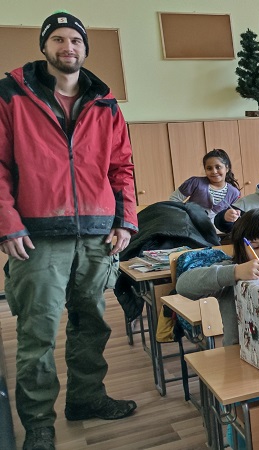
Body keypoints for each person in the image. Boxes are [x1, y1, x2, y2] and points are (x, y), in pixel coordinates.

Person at [0, 11, 138, 450]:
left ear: (84, 48)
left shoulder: (105, 103)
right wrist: (7, 225)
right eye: (58, 39)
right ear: (44, 47)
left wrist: (126, 221)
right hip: (37, 238)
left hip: (97, 235)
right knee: (37, 333)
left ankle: (86, 397)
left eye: (75, 40)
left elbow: (122, 167)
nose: (68, 47)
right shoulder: (11, 95)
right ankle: (39, 424)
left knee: (92, 325)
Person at [177, 209, 259, 347]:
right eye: (255, 247)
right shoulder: (234, 271)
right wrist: (235, 272)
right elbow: (183, 286)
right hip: (240, 352)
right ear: (242, 247)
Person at [168, 148, 241, 223]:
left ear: (227, 168)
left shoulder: (234, 193)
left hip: (215, 230)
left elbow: (231, 219)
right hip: (190, 227)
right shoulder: (195, 183)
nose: (214, 171)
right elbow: (174, 199)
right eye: (209, 168)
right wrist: (182, 217)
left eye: (218, 167)